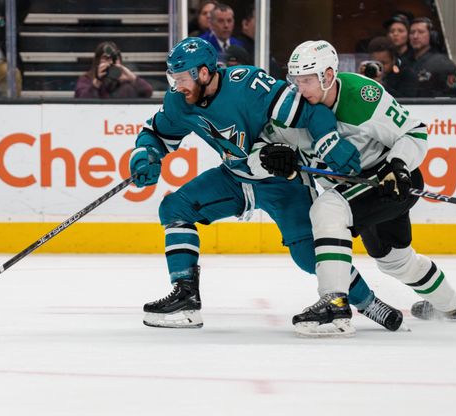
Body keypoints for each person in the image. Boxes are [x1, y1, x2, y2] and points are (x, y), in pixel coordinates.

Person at [129, 37, 400, 331]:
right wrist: (147, 155)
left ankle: (369, 303)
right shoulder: (179, 101)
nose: (176, 85)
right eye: (172, 77)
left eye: (181, 78)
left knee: (309, 256)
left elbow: (311, 112)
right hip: (235, 177)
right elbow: (155, 132)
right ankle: (186, 298)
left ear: (204, 73)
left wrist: (328, 141)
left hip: (283, 181)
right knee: (175, 209)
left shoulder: (249, 85)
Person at [257, 40, 456, 336]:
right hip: (354, 191)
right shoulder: (294, 108)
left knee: (327, 209)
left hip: (388, 183)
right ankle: (452, 306)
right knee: (395, 261)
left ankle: (335, 303)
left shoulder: (362, 96)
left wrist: (398, 165)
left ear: (328, 76)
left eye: (307, 81)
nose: (301, 89)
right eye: (296, 81)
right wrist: (272, 155)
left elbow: (414, 131)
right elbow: (264, 144)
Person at [404, 17, 456, 97]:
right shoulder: (405, 63)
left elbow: (453, 96)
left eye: (421, 32)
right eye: (412, 32)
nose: (415, 36)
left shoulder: (442, 63)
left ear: (432, 35)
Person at [74, 41, 153, 99]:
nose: (110, 62)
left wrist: (133, 79)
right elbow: (81, 102)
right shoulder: (87, 79)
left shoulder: (126, 81)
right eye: (106, 58)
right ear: (98, 60)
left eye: (114, 58)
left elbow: (148, 92)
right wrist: (96, 83)